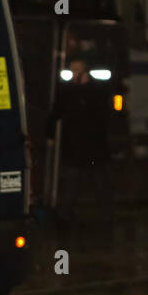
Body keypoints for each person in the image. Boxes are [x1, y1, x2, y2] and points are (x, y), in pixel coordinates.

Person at [46, 57, 113, 227]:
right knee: (71, 183)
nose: (74, 74)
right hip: (74, 146)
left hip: (94, 146)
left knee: (100, 184)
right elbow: (56, 113)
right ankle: (65, 216)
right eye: (72, 70)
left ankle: (106, 217)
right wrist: (50, 135)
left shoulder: (96, 91)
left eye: (77, 70)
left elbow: (102, 113)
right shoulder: (68, 92)